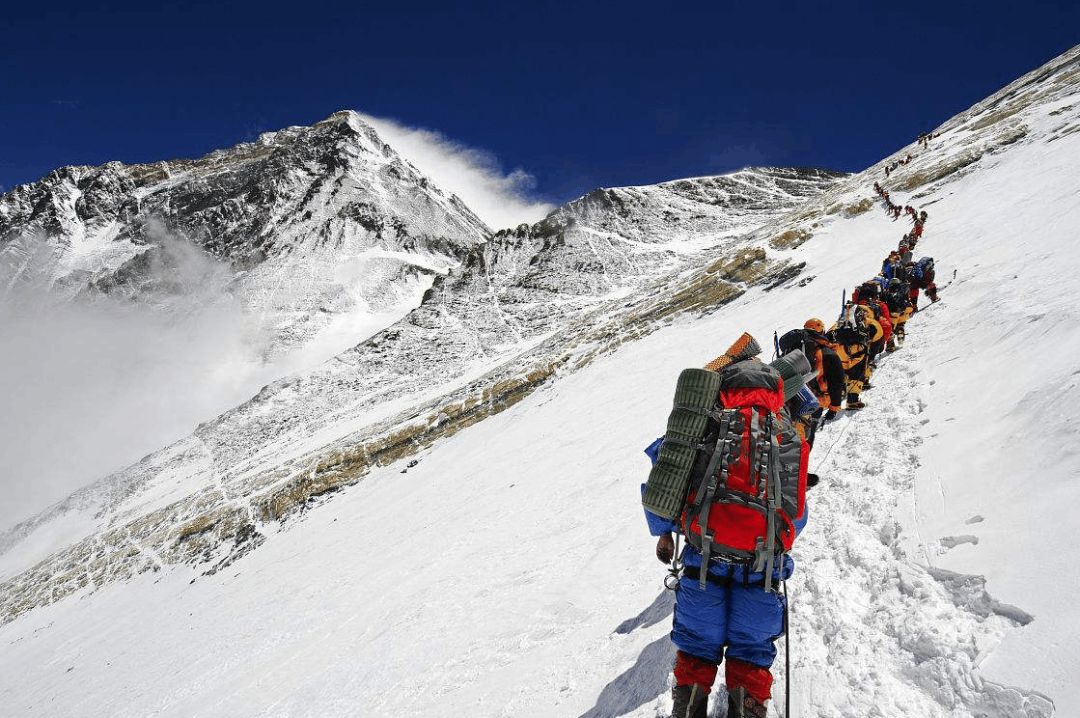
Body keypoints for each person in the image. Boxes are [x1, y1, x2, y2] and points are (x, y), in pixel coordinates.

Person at [647, 338, 810, 718]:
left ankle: (689, 703)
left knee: (697, 640)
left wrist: (663, 532)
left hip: (705, 555)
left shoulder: (705, 427)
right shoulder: (787, 436)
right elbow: (796, 514)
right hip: (762, 564)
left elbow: (664, 473)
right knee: (752, 645)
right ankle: (747, 703)